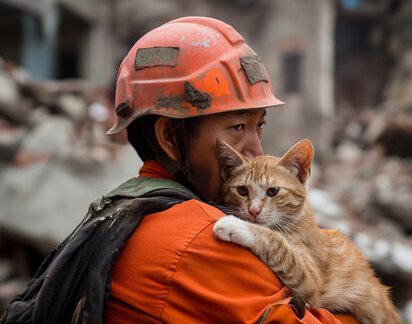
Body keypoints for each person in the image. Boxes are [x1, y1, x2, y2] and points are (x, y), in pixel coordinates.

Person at [1, 17, 357, 324]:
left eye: (259, 126)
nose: (255, 151)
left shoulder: (123, 206)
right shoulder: (203, 242)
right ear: (170, 138)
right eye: (237, 128)